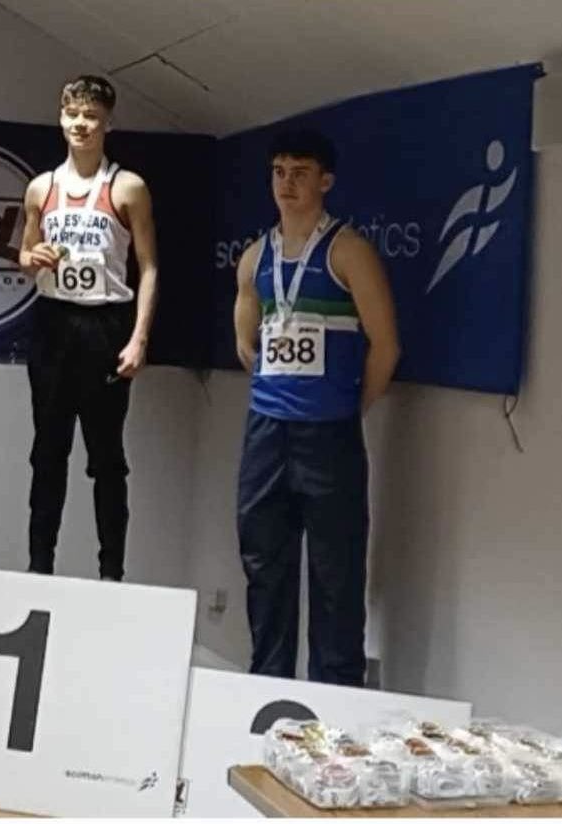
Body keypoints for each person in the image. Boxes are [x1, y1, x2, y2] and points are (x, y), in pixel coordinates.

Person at [233, 128, 400, 684]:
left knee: (336, 573)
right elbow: (247, 344)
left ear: (325, 181)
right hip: (267, 432)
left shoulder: (349, 251)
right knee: (264, 565)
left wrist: (349, 409)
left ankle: (336, 696)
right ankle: (267, 689)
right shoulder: (255, 257)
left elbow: (386, 345)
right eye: (279, 172)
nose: (287, 184)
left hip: (327, 434)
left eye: (300, 173)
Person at [18, 75, 157, 582]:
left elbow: (149, 266)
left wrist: (139, 336)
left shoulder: (127, 187)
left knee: (106, 457)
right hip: (54, 324)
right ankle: (39, 568)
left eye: (91, 116)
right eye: (73, 114)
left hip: (106, 323)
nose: (81, 124)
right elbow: (25, 256)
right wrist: (33, 257)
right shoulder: (41, 187)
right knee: (47, 451)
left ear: (107, 123)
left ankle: (110, 572)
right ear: (61, 117)